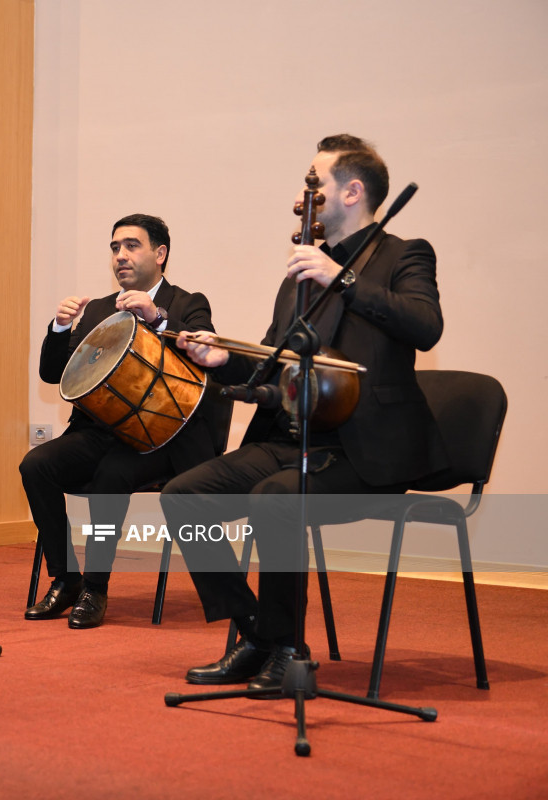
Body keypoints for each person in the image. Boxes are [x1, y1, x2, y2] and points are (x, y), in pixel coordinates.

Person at [162, 134, 447, 690]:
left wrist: (339, 277)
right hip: (295, 441)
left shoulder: (404, 254)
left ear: (351, 192)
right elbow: (270, 369)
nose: (301, 195)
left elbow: (424, 324)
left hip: (364, 455)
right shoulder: (298, 274)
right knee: (183, 496)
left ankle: (286, 650)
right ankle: (259, 636)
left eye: (313, 181)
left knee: (275, 500)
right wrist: (220, 360)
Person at [20, 214, 228, 629]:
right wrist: (60, 328)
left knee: (112, 474)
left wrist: (158, 316)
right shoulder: (99, 309)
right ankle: (66, 579)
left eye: (132, 245)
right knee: (36, 465)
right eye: (115, 247)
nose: (121, 255)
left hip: (161, 438)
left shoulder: (188, 302)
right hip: (99, 432)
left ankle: (96, 587)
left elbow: (206, 356)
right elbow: (52, 373)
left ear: (160, 253)